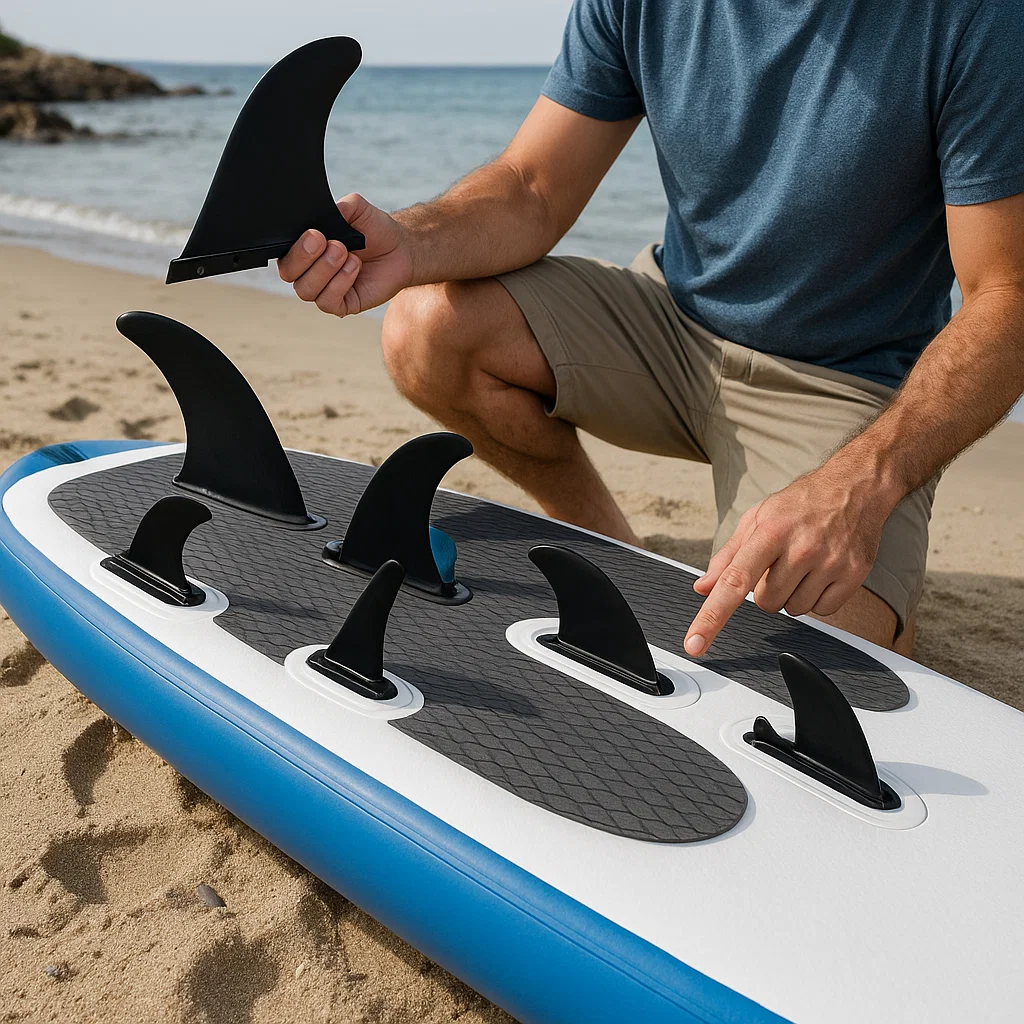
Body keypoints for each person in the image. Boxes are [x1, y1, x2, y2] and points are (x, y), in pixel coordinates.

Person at [278, 0, 1024, 659]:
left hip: (842, 384)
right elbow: (533, 187)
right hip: (671, 328)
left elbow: (1006, 293)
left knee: (827, 652)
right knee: (426, 324)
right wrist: (410, 241)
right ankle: (613, 550)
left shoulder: (977, 18)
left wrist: (864, 486)